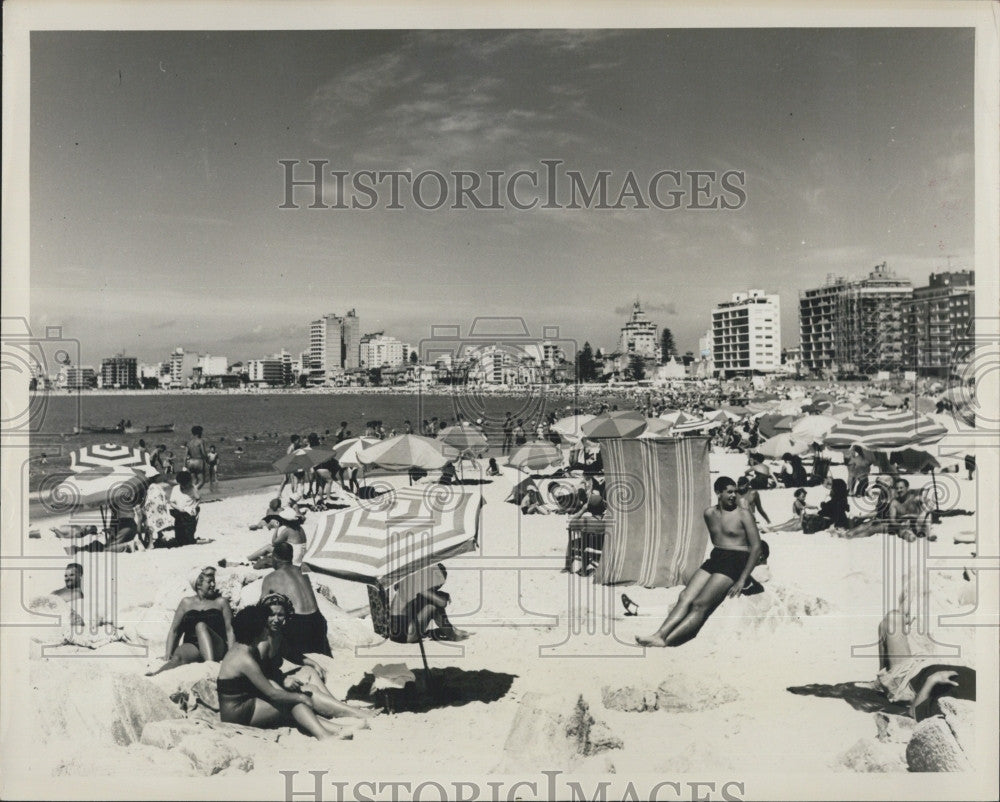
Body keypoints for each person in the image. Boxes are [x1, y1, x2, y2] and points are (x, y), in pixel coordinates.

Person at [636, 476, 761, 647]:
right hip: (717, 556)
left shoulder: (743, 514)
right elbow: (718, 539)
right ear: (718, 493)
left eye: (735, 492)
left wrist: (742, 579)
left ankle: (667, 641)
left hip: (736, 560)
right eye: (729, 492)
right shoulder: (709, 513)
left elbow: (756, 547)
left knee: (700, 604)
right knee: (685, 596)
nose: (734, 496)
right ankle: (659, 634)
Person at [216, 604, 352, 739]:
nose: (267, 629)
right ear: (257, 631)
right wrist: (301, 697)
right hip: (238, 714)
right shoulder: (245, 659)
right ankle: (324, 736)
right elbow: (272, 693)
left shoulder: (242, 647)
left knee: (292, 702)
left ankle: (335, 729)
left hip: (244, 704)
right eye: (265, 626)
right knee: (293, 702)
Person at [254, 592, 373, 721]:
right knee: (310, 690)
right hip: (263, 690)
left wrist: (312, 663)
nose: (276, 619)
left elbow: (290, 654)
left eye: (280, 615)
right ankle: (355, 713)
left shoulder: (276, 635)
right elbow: (255, 675)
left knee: (309, 671)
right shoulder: (262, 641)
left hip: (274, 680)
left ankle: (336, 706)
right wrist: (283, 681)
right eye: (271, 615)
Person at [147, 567, 234, 675]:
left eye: (213, 581)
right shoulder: (186, 603)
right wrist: (168, 654)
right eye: (209, 582)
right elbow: (174, 630)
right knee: (177, 657)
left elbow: (230, 630)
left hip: (217, 645)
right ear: (198, 585)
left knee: (200, 626)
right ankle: (157, 673)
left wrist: (231, 655)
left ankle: (211, 667)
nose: (213, 585)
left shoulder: (221, 602)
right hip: (193, 645)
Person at [259, 542, 331, 662]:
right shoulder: (303, 571)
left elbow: (261, 607)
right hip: (318, 622)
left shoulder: (270, 578)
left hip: (297, 627)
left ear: (275, 558)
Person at [389, 563, 470, 643]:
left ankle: (450, 630)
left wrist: (441, 594)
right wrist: (443, 595)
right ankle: (453, 636)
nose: (438, 587)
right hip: (406, 635)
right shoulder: (420, 587)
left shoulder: (412, 581)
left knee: (429, 602)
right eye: (438, 584)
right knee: (433, 606)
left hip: (395, 634)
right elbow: (442, 603)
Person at [169, 470, 200, 546]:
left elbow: (198, 499)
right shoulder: (176, 489)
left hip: (190, 513)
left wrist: (194, 507)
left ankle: (190, 537)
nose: (185, 486)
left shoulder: (192, 488)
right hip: (179, 512)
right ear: (179, 483)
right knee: (179, 539)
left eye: (187, 484)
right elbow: (171, 502)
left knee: (189, 539)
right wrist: (179, 508)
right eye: (183, 485)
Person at [142, 472, 174, 546]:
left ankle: (151, 543)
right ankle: (158, 538)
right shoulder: (157, 486)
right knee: (156, 522)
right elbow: (163, 497)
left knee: (150, 523)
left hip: (151, 508)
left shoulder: (150, 487)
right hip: (158, 508)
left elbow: (148, 499)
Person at [51, 563, 85, 627]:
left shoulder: (77, 594)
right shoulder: (56, 592)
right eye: (66, 576)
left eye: (72, 575)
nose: (67, 578)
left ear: (80, 575)